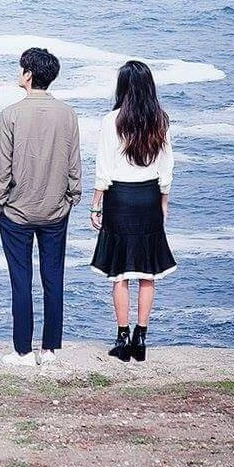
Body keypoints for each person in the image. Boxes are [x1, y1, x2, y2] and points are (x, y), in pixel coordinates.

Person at [0, 46, 82, 368]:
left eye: (20, 69)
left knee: (21, 279)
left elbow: (1, 168)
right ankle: (50, 350)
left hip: (16, 212)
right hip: (56, 210)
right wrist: (71, 198)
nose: (19, 74)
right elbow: (74, 165)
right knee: (53, 277)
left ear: (28, 74)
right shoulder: (67, 114)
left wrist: (0, 202)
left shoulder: (11, 114)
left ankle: (23, 352)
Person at [89, 59, 176, 362]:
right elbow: (166, 168)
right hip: (149, 198)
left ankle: (122, 338)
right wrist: (162, 204)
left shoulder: (111, 120)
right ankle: (141, 339)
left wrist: (95, 205)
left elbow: (103, 168)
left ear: (123, 86)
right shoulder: (161, 120)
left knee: (120, 274)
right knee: (148, 273)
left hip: (120, 199)